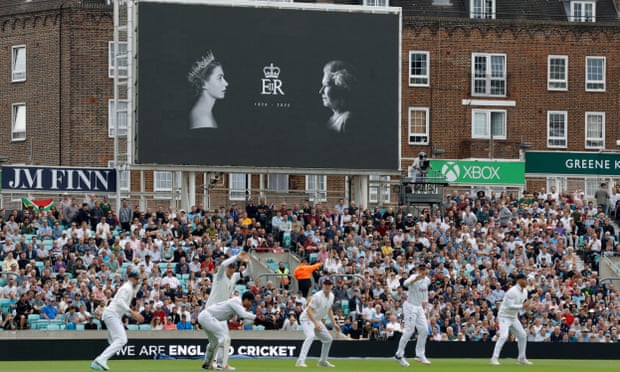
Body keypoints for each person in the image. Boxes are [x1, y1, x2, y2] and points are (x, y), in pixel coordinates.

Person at [205, 251, 252, 370]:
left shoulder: (235, 277)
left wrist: (249, 261)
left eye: (233, 267)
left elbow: (249, 272)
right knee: (220, 340)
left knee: (221, 340)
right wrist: (236, 257)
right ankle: (216, 363)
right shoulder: (219, 276)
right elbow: (222, 265)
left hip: (221, 312)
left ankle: (212, 363)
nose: (231, 269)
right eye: (230, 267)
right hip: (210, 312)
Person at [91, 270, 144, 371]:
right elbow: (119, 302)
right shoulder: (127, 288)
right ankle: (100, 360)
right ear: (132, 278)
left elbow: (121, 306)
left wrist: (132, 315)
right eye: (137, 279)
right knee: (122, 340)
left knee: (114, 341)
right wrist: (133, 312)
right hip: (112, 315)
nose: (138, 281)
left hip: (112, 315)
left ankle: (99, 361)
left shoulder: (128, 288)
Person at [198, 292, 256, 370]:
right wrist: (257, 317)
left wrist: (259, 322)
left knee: (214, 343)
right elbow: (243, 314)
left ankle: (207, 364)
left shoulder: (239, 307)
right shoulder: (236, 301)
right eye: (251, 302)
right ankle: (221, 364)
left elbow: (245, 321)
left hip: (205, 317)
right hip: (207, 316)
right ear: (246, 299)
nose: (251, 305)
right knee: (224, 338)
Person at [295, 277, 341, 368]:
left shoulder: (332, 296)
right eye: (325, 284)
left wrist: (334, 323)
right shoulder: (317, 296)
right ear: (322, 285)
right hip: (307, 319)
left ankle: (322, 361)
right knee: (311, 336)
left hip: (317, 320)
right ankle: (300, 361)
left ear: (332, 286)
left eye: (329, 284)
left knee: (328, 339)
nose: (327, 286)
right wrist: (316, 323)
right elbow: (309, 310)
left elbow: (329, 309)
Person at [490, 273, 533, 366]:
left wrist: (527, 309)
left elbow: (521, 306)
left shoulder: (525, 291)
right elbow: (510, 306)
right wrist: (523, 306)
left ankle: (521, 358)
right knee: (504, 336)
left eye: (526, 279)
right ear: (519, 280)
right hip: (504, 316)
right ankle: (494, 358)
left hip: (513, 317)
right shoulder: (512, 291)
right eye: (524, 279)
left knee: (522, 335)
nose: (526, 281)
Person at [394, 264, 432, 367]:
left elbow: (425, 292)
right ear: (419, 270)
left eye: (425, 270)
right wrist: (415, 279)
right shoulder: (413, 277)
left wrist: (425, 302)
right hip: (410, 306)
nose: (424, 271)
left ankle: (420, 355)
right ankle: (399, 355)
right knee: (409, 331)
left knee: (424, 330)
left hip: (419, 307)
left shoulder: (427, 280)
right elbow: (405, 284)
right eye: (422, 270)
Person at [188, 50, 228, 129]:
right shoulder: (203, 121)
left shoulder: (205, 111)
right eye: (219, 78)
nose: (226, 83)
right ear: (203, 83)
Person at [320, 60, 356, 133]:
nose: (320, 91)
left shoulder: (347, 120)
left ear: (341, 89)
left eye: (326, 85)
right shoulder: (331, 119)